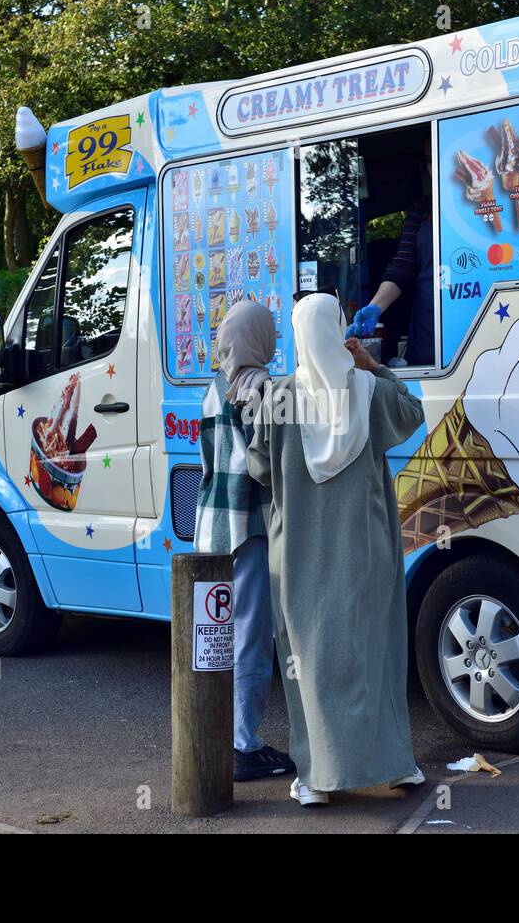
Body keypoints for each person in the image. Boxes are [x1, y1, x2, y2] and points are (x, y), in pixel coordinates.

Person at [247, 292, 426, 806]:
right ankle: (394, 766)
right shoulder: (368, 390)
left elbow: (259, 468)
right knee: (374, 649)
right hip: (365, 544)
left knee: (309, 656)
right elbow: (413, 413)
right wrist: (373, 365)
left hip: (298, 548)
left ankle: (317, 779)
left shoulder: (278, 396)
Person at [194, 301, 297, 782]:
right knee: (252, 639)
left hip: (212, 522)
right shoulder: (261, 389)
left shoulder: (213, 388)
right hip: (250, 525)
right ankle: (242, 745)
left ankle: (216, 735)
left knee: (216, 636)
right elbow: (269, 462)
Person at [345, 140, 435, 366]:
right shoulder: (421, 210)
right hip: (428, 326)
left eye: (437, 158)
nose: (433, 167)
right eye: (429, 161)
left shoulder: (480, 206)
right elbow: (403, 266)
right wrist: (375, 307)